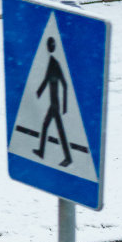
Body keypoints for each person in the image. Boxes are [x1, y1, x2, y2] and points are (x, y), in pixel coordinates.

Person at [34, 37, 73, 169]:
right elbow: (46, 80)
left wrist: (65, 106)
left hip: (55, 104)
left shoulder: (55, 63)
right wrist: (37, 92)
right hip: (52, 103)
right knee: (45, 126)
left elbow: (65, 84)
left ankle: (68, 158)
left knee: (60, 131)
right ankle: (41, 151)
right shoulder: (51, 62)